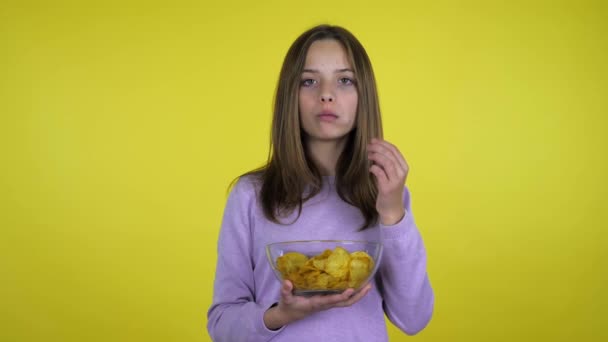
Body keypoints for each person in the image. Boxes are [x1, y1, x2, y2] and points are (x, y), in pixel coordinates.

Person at [207, 24, 434, 341]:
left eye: (344, 80)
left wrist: (393, 213)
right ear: (291, 96)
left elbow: (414, 318)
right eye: (309, 81)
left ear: (363, 95)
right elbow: (221, 324)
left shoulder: (385, 192)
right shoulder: (250, 196)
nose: (326, 94)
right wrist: (280, 315)